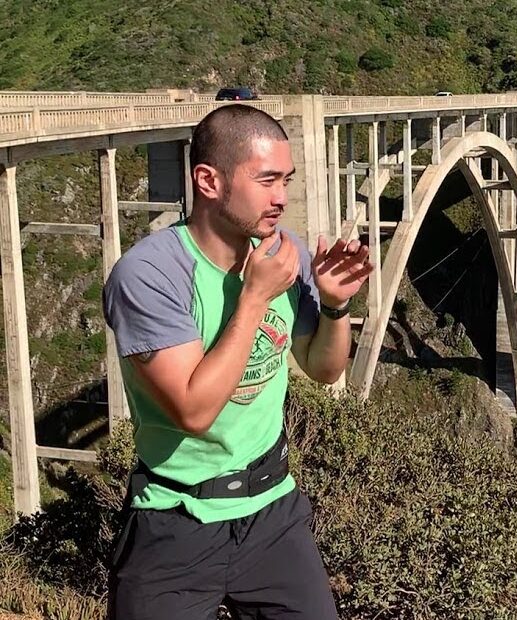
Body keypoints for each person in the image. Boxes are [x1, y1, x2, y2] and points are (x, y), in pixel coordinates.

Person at [103, 103, 372, 620]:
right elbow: (193, 410)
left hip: (274, 512)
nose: (282, 198)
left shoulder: (284, 252)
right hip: (175, 521)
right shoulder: (149, 276)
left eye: (287, 180)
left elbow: (322, 368)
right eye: (266, 180)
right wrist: (252, 299)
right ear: (208, 180)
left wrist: (336, 304)